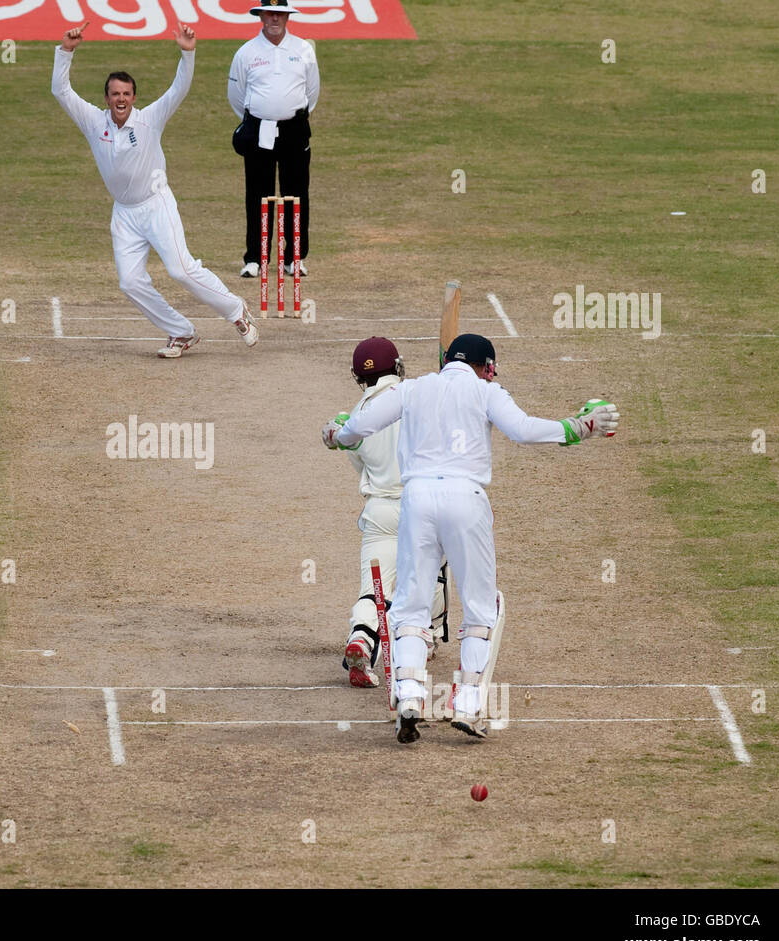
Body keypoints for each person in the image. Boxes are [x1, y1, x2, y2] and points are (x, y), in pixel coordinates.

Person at [322, 334, 619, 743]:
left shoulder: (413, 388)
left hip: (418, 499)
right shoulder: (486, 391)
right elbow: (524, 430)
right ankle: (466, 705)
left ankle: (409, 696)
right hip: (466, 498)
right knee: (481, 607)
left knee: (410, 604)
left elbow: (360, 425)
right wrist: (578, 427)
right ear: (486, 366)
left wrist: (337, 435)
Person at [53, 20, 259, 359]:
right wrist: (66, 51)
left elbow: (178, 89)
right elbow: (61, 91)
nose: (121, 99)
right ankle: (181, 331)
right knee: (130, 282)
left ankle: (236, 311)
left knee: (181, 269)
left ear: (134, 97)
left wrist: (187, 53)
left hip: (156, 203)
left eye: (126, 94)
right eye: (115, 94)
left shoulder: (149, 119)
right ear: (107, 98)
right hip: (124, 212)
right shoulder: (93, 121)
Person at [330, 338, 447, 690]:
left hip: (380, 510)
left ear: (358, 376)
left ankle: (362, 641)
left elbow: (358, 460)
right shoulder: (419, 396)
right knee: (427, 575)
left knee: (375, 591)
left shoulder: (356, 417)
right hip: (422, 506)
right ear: (397, 366)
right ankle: (426, 636)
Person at [229, 1, 319, 278]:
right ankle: (255, 258)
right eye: (270, 13)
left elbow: (312, 92)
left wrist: (290, 116)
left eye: (280, 14)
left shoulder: (304, 50)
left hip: (294, 129)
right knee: (259, 195)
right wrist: (261, 116)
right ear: (261, 16)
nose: (275, 19)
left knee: (296, 194)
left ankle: (294, 259)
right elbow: (237, 97)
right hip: (259, 130)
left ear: (287, 16)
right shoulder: (246, 53)